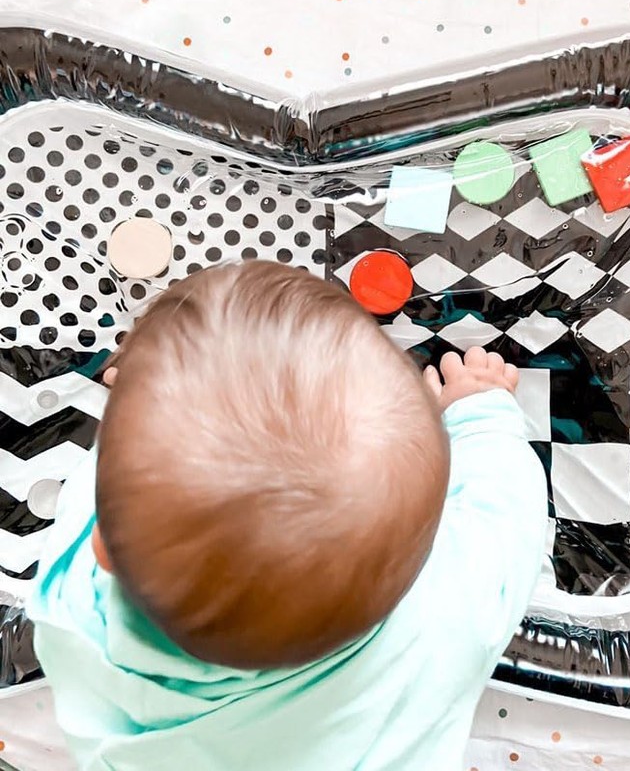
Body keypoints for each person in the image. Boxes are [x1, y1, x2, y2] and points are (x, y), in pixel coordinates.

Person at [28, 261, 548, 771]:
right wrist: (480, 412)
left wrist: (142, 392)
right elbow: (504, 504)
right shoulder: (451, 614)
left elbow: (111, 491)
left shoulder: (71, 616)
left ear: (102, 550)